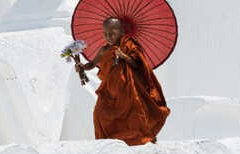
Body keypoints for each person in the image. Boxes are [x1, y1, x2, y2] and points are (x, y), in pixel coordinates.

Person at [71, 16, 170, 146]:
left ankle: (144, 136)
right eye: (105, 34)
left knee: (135, 114)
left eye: (112, 33)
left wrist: (124, 56)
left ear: (121, 32)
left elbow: (139, 65)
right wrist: (82, 67)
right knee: (99, 113)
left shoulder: (129, 45)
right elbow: (93, 64)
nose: (108, 37)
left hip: (128, 88)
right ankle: (107, 143)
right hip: (109, 88)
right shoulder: (104, 50)